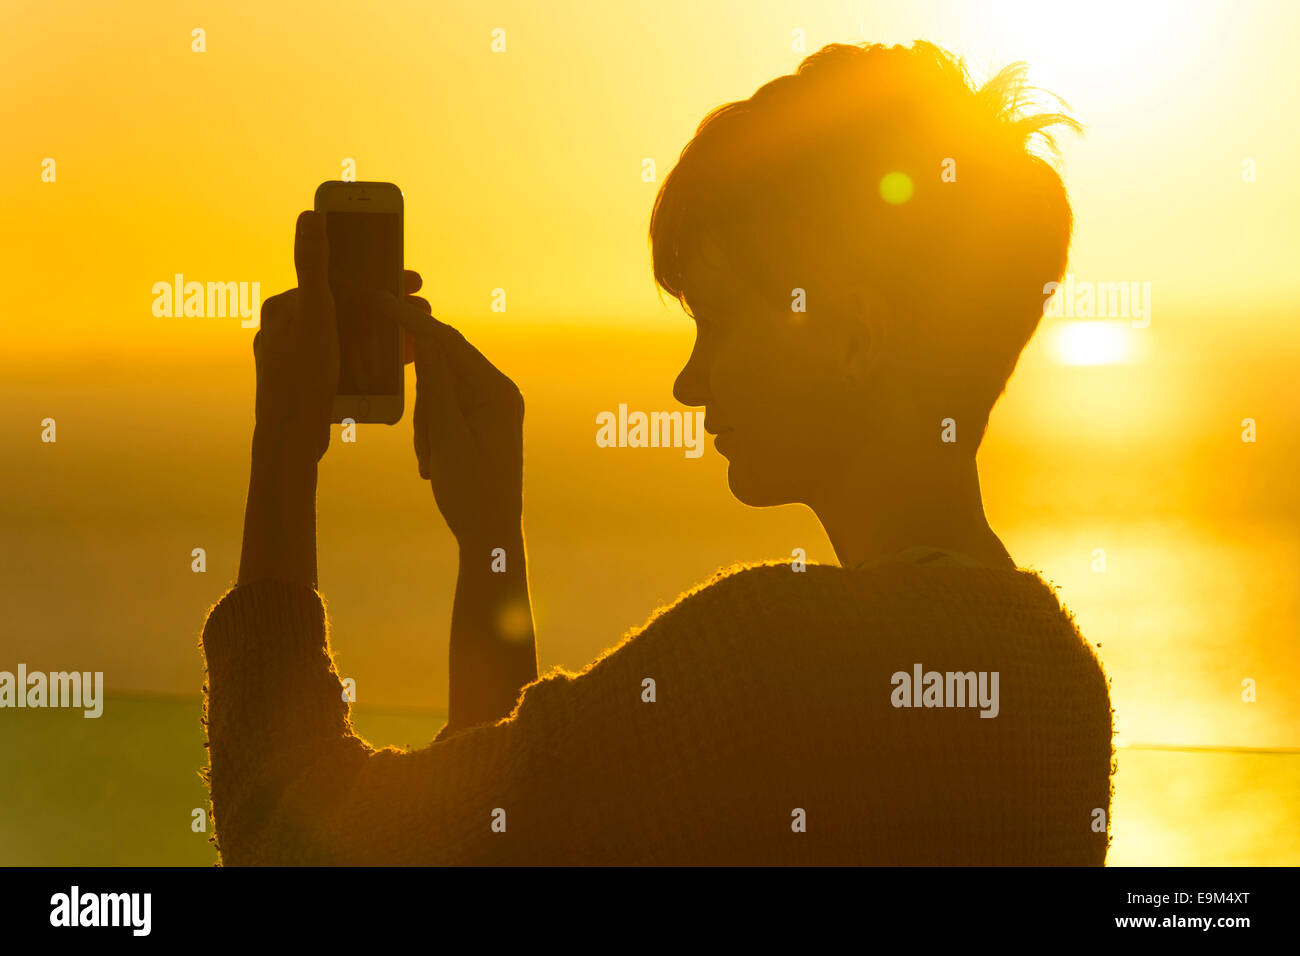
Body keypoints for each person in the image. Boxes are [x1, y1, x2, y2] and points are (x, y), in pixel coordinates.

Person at [199, 40, 1113, 865]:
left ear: (850, 333)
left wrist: (284, 443)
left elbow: (291, 840)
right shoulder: (1059, 686)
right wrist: (489, 546)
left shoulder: (761, 663)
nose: (689, 381)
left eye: (715, 320)